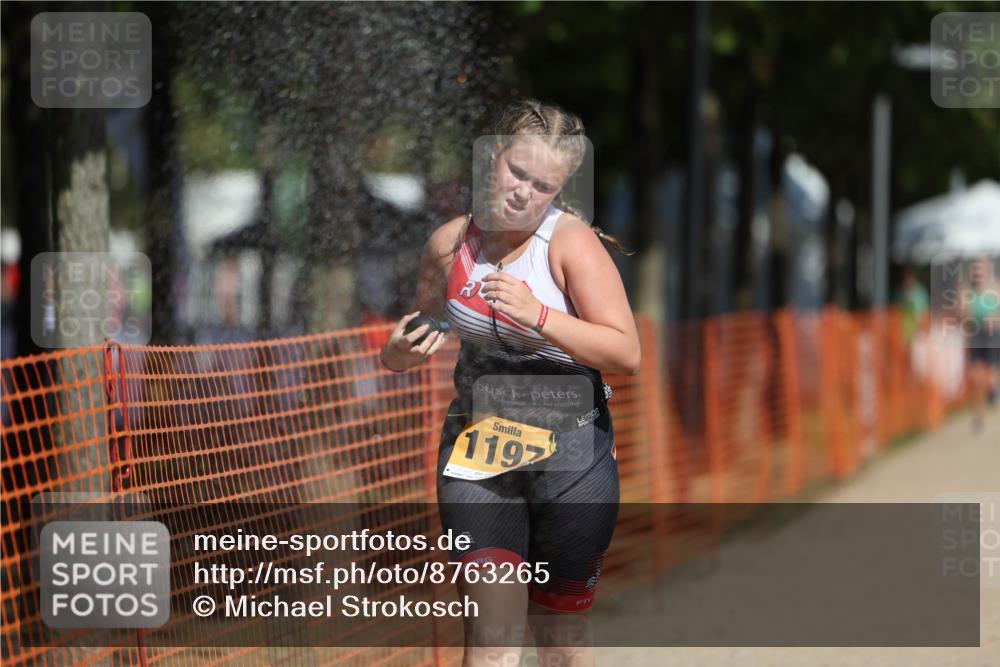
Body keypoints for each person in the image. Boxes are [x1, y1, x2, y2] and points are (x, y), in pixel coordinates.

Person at [379, 99, 640, 666]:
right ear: (493, 156)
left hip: (573, 452)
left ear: (561, 188)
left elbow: (627, 352)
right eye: (517, 172)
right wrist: (397, 352)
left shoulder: (569, 245)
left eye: (543, 185)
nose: (524, 191)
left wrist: (539, 315)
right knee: (493, 637)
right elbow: (421, 333)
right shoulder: (449, 246)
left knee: (559, 638)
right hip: (482, 444)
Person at [961, 257, 1000, 432]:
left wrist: (995, 319)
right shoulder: (966, 290)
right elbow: (961, 315)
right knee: (977, 380)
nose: (978, 273)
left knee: (991, 379)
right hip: (976, 336)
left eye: (981, 269)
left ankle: (994, 391)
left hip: (992, 336)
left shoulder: (996, 287)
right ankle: (978, 417)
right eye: (975, 269)